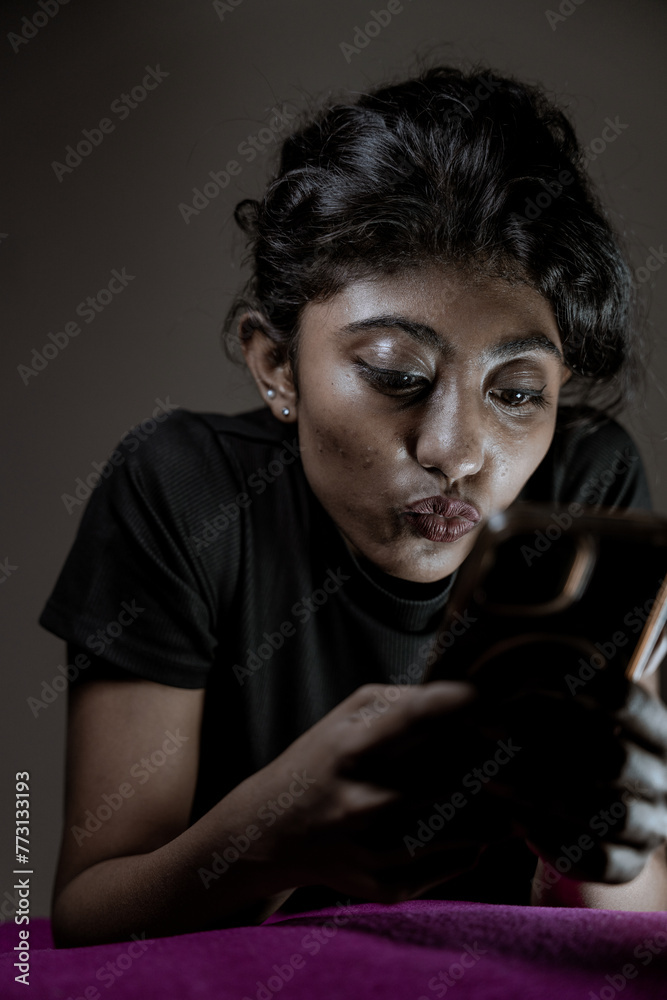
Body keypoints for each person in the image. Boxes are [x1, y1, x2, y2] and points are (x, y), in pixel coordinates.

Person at [39, 64, 667, 947]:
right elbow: (83, 923)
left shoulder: (583, 488)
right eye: (396, 377)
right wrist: (274, 840)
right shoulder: (182, 489)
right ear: (276, 366)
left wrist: (594, 849)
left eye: (519, 392)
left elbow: (635, 925)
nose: (453, 450)